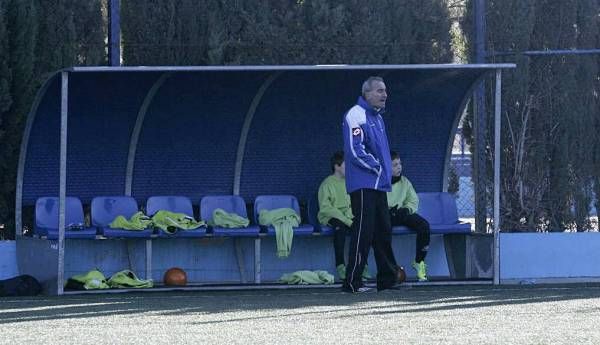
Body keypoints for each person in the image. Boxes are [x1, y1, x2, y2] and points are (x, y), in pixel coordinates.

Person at [342, 76, 399, 293]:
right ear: (367, 94)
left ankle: (387, 279)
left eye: (385, 91)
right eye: (379, 91)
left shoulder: (378, 118)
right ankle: (352, 282)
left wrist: (384, 174)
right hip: (364, 184)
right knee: (363, 232)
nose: (384, 95)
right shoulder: (355, 114)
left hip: (379, 185)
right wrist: (378, 168)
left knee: (383, 231)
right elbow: (356, 150)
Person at [317, 151, 371, 281]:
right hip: (331, 216)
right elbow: (326, 208)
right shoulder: (327, 184)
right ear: (337, 166)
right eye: (346, 165)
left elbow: (353, 204)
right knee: (340, 229)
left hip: (348, 217)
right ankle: (340, 264)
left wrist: (351, 217)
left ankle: (362, 264)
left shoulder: (350, 183)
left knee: (361, 230)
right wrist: (347, 220)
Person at [387, 151, 431, 281]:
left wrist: (406, 209)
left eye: (399, 164)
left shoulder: (405, 182)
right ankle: (390, 267)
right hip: (387, 215)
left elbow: (413, 200)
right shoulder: (380, 183)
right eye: (395, 165)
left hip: (401, 213)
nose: (399, 167)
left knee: (424, 225)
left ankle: (419, 262)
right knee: (382, 231)